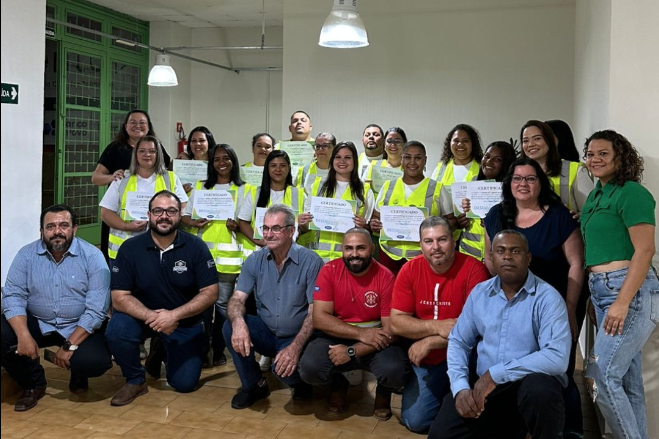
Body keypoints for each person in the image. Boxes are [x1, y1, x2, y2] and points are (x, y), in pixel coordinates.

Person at [428, 230, 571, 439]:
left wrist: (496, 374)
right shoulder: (480, 293)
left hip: (527, 390)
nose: (507, 256)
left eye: (515, 251)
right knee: (440, 435)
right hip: (485, 391)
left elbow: (557, 357)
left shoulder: (548, 298)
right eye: (500, 251)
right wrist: (460, 388)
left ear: (528, 258)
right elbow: (459, 341)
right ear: (491, 257)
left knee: (540, 389)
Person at [483, 156, 586, 437]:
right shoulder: (496, 215)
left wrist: (569, 309)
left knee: (556, 373)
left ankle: (569, 430)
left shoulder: (559, 216)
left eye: (530, 178)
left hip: (555, 308)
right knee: (516, 367)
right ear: (509, 183)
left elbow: (576, 264)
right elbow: (489, 258)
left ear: (541, 183)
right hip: (512, 308)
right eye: (517, 178)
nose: (523, 184)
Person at [105, 191, 219, 406]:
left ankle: (160, 346)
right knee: (117, 329)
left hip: (183, 321)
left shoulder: (196, 246)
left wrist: (173, 316)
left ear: (179, 215)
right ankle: (135, 379)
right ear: (149, 214)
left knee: (184, 383)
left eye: (171, 211)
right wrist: (156, 318)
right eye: (158, 211)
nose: (164, 216)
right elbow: (119, 298)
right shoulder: (130, 248)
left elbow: (211, 292)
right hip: (141, 317)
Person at [581, 130, 658, 439]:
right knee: (627, 381)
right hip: (602, 289)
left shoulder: (631, 192)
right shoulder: (596, 196)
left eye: (603, 153)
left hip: (629, 291)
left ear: (620, 157)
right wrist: (596, 293)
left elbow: (645, 250)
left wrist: (622, 301)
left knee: (599, 376)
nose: (595, 159)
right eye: (590, 154)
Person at [1, 205, 112, 412]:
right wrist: (24, 335)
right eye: (50, 226)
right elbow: (13, 296)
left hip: (79, 325)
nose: (57, 231)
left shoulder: (93, 257)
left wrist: (69, 346)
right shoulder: (26, 255)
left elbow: (97, 310)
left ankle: (78, 371)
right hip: (39, 321)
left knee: (93, 362)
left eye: (64, 225)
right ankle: (34, 383)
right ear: (42, 231)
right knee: (2, 334)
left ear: (74, 229)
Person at [390, 216, 490, 433]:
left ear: (453, 241)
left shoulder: (474, 269)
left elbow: (477, 327)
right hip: (428, 362)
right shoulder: (409, 270)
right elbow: (396, 323)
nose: (435, 247)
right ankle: (446, 398)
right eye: (429, 241)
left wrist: (431, 342)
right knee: (415, 421)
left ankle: (453, 398)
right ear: (421, 245)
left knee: (479, 417)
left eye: (442, 239)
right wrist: (437, 327)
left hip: (467, 357)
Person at [223, 205, 324, 409]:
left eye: (276, 228)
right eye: (266, 228)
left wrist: (294, 348)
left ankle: (301, 383)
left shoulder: (311, 261)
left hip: (298, 336)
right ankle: (254, 385)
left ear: (291, 231)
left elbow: (315, 312)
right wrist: (239, 323)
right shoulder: (254, 260)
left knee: (283, 371)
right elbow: (237, 299)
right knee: (230, 326)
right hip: (268, 332)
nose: (269, 234)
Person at [299, 228, 406, 419]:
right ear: (342, 249)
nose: (354, 254)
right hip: (337, 337)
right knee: (309, 369)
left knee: (395, 370)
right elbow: (319, 319)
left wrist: (351, 351)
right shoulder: (329, 271)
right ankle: (338, 384)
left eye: (361, 248)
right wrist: (361, 334)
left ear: (372, 249)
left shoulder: (386, 276)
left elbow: (391, 331)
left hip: (377, 341)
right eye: (349, 248)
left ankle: (384, 391)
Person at [182, 143, 254, 367]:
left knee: (223, 307)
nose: (221, 163)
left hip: (228, 260)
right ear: (211, 163)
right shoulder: (200, 187)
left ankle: (220, 349)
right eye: (216, 159)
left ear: (233, 161)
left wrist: (237, 227)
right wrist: (193, 222)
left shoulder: (246, 189)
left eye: (226, 158)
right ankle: (202, 351)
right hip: (201, 259)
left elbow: (249, 223)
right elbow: (184, 216)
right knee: (202, 308)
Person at [91, 109, 171, 264]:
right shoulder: (115, 148)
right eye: (132, 122)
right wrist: (112, 177)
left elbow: (169, 169)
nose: (137, 125)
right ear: (125, 126)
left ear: (148, 126)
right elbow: (96, 178)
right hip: (119, 214)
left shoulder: (157, 146)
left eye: (142, 122)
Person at [100, 135, 188, 260]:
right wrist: (126, 226)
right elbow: (105, 213)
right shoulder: (122, 178)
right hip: (124, 251)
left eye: (152, 151)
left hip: (162, 249)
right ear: (135, 154)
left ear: (158, 154)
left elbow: (183, 207)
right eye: (142, 151)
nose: (147, 154)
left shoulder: (171, 178)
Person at [369, 141, 442, 275]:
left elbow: (451, 221)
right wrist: (374, 224)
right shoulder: (388, 186)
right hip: (388, 256)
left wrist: (435, 230)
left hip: (422, 256)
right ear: (401, 160)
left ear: (425, 160)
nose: (412, 162)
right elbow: (376, 217)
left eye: (418, 158)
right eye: (407, 157)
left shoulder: (437, 188)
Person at [299, 141, 375, 262]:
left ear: (355, 161)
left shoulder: (365, 191)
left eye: (347, 157)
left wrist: (363, 226)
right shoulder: (317, 186)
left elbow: (368, 228)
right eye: (338, 157)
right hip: (317, 257)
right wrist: (303, 222)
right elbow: (307, 226)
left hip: (348, 259)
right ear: (332, 160)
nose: (342, 161)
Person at [450, 141, 517, 261]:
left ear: (506, 163)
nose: (489, 162)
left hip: (496, 258)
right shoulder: (472, 182)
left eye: (497, 159)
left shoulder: (513, 190)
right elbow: (461, 220)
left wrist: (494, 222)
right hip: (467, 255)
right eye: (487, 156)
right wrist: (461, 221)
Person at [520, 120, 593, 216]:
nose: (530, 144)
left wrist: (579, 216)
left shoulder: (576, 170)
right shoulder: (517, 173)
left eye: (537, 138)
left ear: (550, 140)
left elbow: (592, 211)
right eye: (525, 141)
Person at [238, 150, 305, 249]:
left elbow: (305, 225)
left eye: (283, 166)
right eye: (273, 165)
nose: (278, 169)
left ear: (288, 168)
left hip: (290, 252)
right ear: (267, 168)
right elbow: (243, 222)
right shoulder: (255, 193)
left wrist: (302, 226)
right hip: (260, 252)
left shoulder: (299, 194)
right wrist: (259, 241)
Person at [172, 125, 216, 193]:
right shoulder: (181, 164)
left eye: (202, 140)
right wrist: (180, 190)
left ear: (209, 143)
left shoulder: (216, 165)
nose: (197, 144)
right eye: (193, 141)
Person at [363, 127, 407, 193]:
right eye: (389, 141)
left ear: (405, 144)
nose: (393, 145)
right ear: (384, 144)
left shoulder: (410, 169)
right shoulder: (373, 166)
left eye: (397, 141)